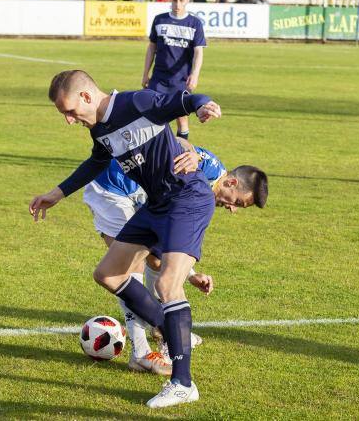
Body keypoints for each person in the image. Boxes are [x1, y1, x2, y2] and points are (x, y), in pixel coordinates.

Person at [29, 70, 222, 408]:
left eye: (70, 111)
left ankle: (183, 382)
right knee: (108, 274)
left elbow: (184, 100)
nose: (69, 121)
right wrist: (56, 194)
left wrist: (204, 106)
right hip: (157, 204)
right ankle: (172, 332)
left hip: (186, 199)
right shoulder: (101, 129)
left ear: (87, 97)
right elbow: (97, 161)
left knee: (167, 285)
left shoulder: (136, 103)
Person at [83, 143, 268, 374]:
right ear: (231, 182)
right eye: (237, 201)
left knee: (156, 262)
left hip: (142, 198)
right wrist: (191, 150)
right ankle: (141, 352)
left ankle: (163, 331)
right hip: (112, 189)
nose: (232, 208)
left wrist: (189, 274)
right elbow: (180, 144)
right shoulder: (207, 168)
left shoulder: (205, 190)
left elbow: (166, 243)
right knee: (126, 268)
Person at [142, 0, 206, 141]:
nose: (177, 4)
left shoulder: (194, 23)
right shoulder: (160, 20)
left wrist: (195, 75)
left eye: (181, 1)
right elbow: (151, 48)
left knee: (181, 120)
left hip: (181, 80)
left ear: (187, 1)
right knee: (151, 118)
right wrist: (145, 74)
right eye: (174, 0)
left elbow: (198, 51)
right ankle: (150, 156)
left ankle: (179, 156)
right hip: (158, 79)